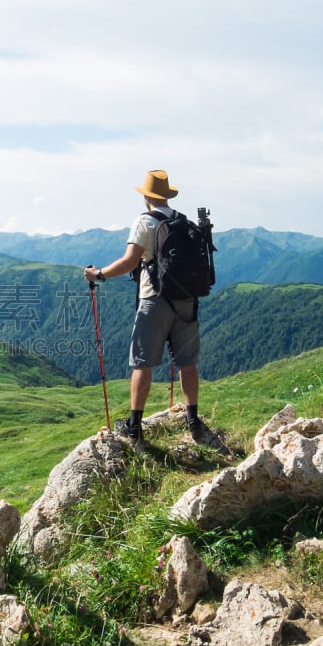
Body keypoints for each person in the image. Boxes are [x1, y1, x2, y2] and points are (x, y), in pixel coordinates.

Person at [83, 169, 205, 446]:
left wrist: (99, 274)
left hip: (155, 300)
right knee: (187, 364)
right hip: (187, 301)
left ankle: (135, 426)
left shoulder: (145, 222)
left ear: (147, 196)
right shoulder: (183, 222)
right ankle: (193, 420)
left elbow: (129, 261)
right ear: (166, 195)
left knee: (142, 363)